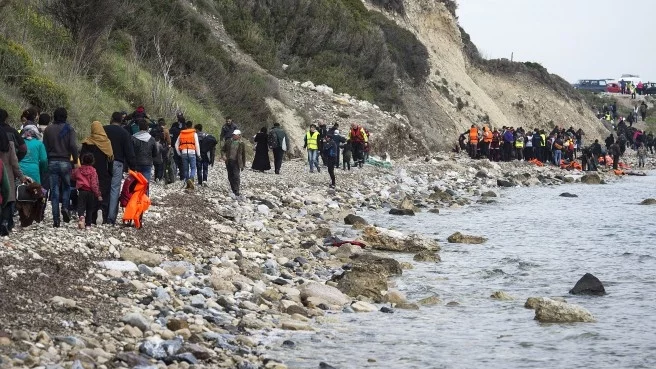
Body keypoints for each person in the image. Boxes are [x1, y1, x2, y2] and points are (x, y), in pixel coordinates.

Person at [43, 107, 78, 227]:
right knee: (67, 187)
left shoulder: (48, 129)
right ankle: (65, 207)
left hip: (52, 162)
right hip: (65, 162)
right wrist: (75, 159)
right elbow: (73, 145)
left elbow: (45, 147)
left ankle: (56, 220)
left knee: (54, 190)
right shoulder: (70, 129)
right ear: (66, 116)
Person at [104, 112, 135, 225]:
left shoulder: (104, 129)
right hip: (118, 162)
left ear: (111, 119)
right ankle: (111, 218)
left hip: (103, 161)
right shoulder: (124, 133)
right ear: (121, 121)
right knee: (114, 189)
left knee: (103, 187)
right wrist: (133, 167)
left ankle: (100, 213)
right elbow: (129, 151)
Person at [80, 121, 113, 224]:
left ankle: (92, 216)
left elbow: (81, 158)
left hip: (89, 172)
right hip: (103, 172)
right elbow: (110, 159)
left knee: (91, 193)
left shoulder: (87, 142)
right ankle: (102, 211)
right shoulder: (107, 142)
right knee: (102, 193)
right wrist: (110, 173)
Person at [72, 152, 102, 229]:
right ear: (93, 161)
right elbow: (94, 184)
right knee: (89, 208)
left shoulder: (79, 170)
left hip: (81, 191)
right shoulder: (93, 171)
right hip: (91, 192)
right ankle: (88, 224)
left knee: (81, 206)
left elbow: (73, 176)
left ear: (82, 160)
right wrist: (98, 194)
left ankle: (81, 216)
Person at [175, 120, 201, 189]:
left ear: (185, 126)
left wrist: (179, 153)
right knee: (193, 167)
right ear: (192, 126)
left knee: (185, 169)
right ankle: (191, 178)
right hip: (192, 152)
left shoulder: (181, 134)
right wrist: (198, 155)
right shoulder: (194, 134)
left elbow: (176, 145)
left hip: (183, 153)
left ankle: (188, 184)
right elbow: (197, 144)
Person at [132, 119, 157, 187]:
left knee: (136, 184)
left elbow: (131, 151)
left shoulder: (133, 137)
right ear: (147, 127)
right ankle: (145, 196)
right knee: (145, 184)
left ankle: (136, 197)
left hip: (136, 163)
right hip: (147, 163)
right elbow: (155, 152)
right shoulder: (152, 139)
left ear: (139, 127)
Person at [221, 129, 246, 197]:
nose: (234, 136)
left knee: (236, 176)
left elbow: (243, 154)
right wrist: (223, 155)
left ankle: (236, 190)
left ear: (239, 136)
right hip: (229, 161)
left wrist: (243, 164)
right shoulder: (228, 141)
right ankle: (233, 189)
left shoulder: (241, 143)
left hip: (237, 162)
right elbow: (223, 150)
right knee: (230, 176)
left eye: (235, 135)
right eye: (233, 135)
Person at [170, 112, 185, 180]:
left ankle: (174, 175)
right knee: (181, 162)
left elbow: (170, 135)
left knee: (175, 161)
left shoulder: (174, 126)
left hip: (175, 146)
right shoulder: (185, 127)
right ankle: (182, 176)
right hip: (183, 146)